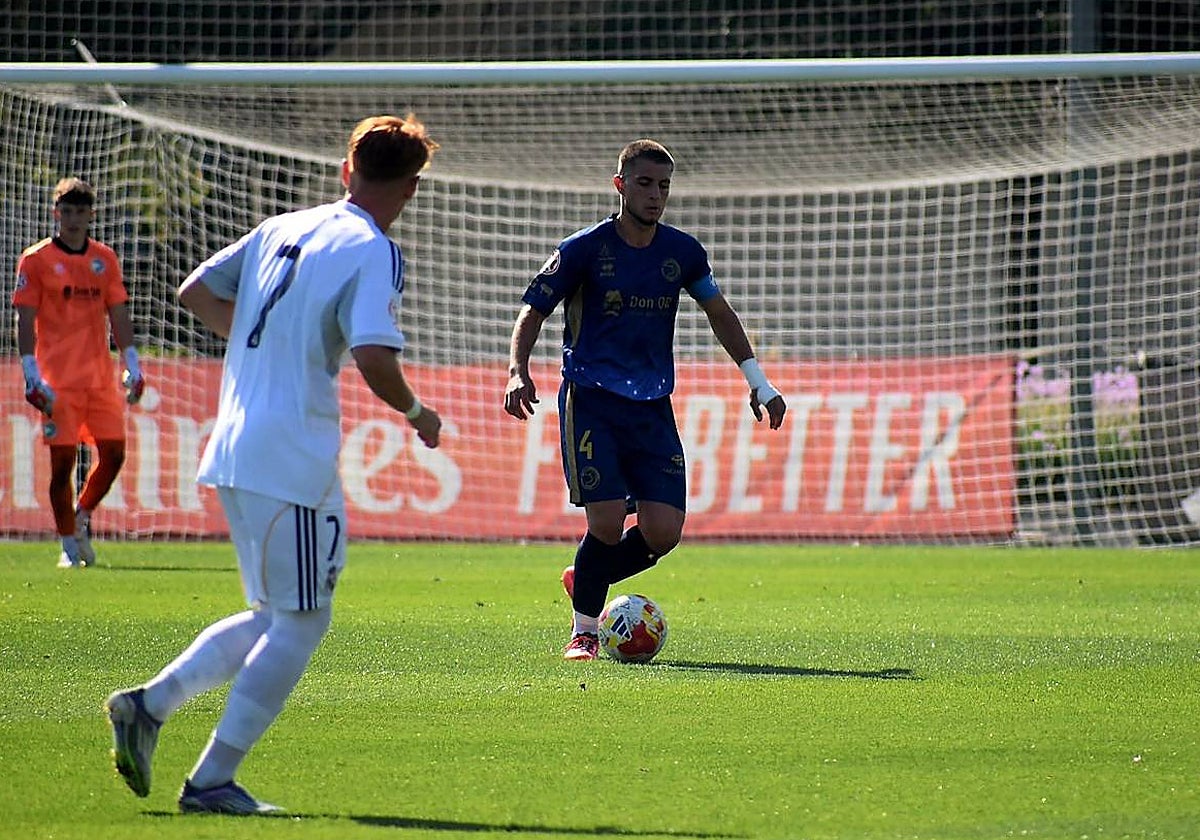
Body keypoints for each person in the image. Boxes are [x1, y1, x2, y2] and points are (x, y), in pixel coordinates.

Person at [104, 114, 442, 815]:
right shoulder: (372, 248)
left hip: (232, 441)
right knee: (303, 621)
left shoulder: (282, 226)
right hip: (293, 453)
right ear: (410, 188)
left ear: (346, 170)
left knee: (275, 613)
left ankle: (149, 706)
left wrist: (267, 343)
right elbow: (376, 357)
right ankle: (210, 782)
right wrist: (417, 415)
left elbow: (194, 290)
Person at [503, 139, 788, 661]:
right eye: (644, 184)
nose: (655, 196)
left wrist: (758, 380)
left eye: (663, 186)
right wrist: (517, 370)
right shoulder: (583, 250)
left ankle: (588, 575)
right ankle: (584, 631)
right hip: (592, 401)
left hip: (652, 405)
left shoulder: (681, 252)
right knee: (607, 524)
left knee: (664, 531)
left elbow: (719, 312)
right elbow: (533, 312)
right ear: (620, 185)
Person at [13, 177, 145, 569]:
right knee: (62, 466)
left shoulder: (104, 259)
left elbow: (118, 312)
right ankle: (68, 543)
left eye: (80, 212)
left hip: (99, 378)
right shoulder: (35, 260)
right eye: (66, 211)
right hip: (58, 381)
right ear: (56, 213)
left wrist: (132, 363)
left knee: (115, 453)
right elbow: (24, 317)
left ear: (91, 215)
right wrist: (30, 372)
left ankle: (82, 514)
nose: (73, 219)